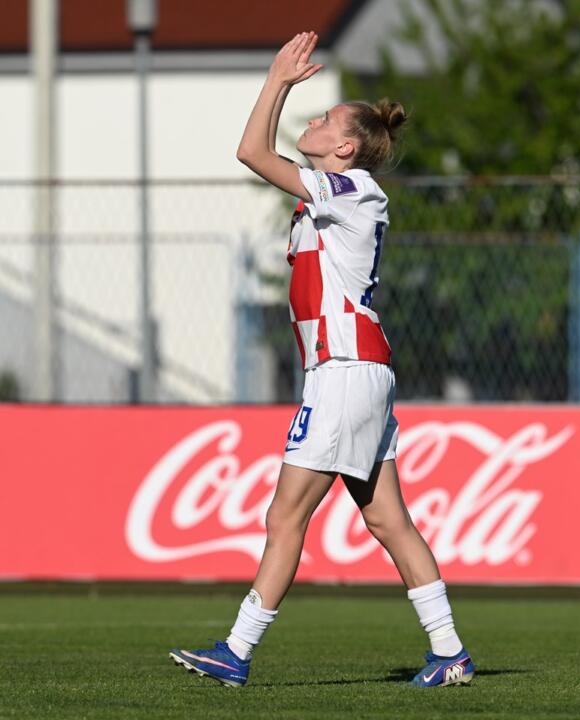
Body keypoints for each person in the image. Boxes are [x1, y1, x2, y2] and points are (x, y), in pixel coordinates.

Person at [170, 31, 474, 689]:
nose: (313, 122)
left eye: (326, 120)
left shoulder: (352, 189)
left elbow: (251, 152)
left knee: (285, 516)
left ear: (345, 147)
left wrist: (277, 81)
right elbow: (265, 156)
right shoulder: (333, 192)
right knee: (386, 519)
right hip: (352, 368)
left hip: (344, 368)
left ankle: (236, 652)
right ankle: (449, 651)